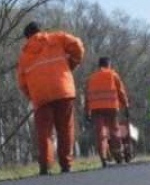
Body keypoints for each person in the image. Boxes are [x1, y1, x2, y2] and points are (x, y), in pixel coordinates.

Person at [17, 21, 85, 174]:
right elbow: (78, 45)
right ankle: (66, 164)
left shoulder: (24, 55)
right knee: (65, 128)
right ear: (41, 30)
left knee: (44, 132)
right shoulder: (57, 38)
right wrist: (72, 63)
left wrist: (32, 96)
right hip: (63, 90)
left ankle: (45, 166)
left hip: (41, 96)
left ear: (27, 37)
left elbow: (22, 82)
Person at [85, 57, 130, 166]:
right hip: (111, 107)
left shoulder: (91, 78)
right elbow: (121, 92)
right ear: (109, 64)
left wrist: (87, 111)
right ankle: (118, 156)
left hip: (96, 108)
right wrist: (126, 106)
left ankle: (103, 158)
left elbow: (87, 97)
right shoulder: (113, 75)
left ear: (99, 65)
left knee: (100, 134)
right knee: (114, 131)